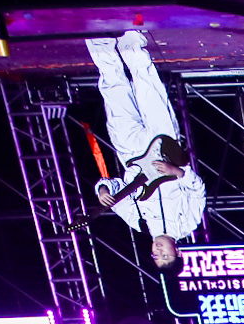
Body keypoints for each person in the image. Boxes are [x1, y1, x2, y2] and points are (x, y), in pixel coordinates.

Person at [86, 30, 206, 270]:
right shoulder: (188, 222)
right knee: (147, 86)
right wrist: (175, 172)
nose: (158, 252)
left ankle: (99, 40)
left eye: (156, 257)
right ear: (177, 252)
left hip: (129, 150)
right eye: (165, 256)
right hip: (163, 145)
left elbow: (114, 188)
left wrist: (103, 190)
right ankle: (131, 39)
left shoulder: (138, 222)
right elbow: (197, 189)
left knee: (113, 89)